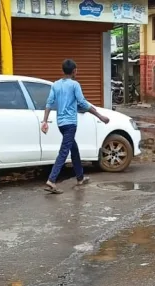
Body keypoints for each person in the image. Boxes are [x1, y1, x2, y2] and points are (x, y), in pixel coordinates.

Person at [40, 59, 110, 194]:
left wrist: (44, 121)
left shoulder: (55, 85)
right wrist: (100, 116)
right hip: (70, 123)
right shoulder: (74, 85)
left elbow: (49, 103)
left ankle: (80, 177)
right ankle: (51, 180)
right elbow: (82, 102)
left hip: (61, 123)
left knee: (74, 149)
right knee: (64, 151)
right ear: (74, 71)